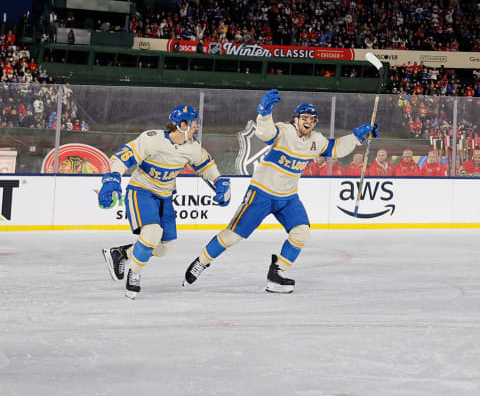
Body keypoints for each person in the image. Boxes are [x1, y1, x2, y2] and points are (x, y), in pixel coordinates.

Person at [182, 90, 376, 293]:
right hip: (261, 193)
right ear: (295, 119)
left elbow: (335, 148)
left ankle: (277, 273)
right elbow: (264, 133)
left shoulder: (315, 140)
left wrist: (356, 137)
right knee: (233, 236)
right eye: (304, 118)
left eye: (312, 118)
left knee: (301, 233)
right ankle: (202, 261)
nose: (308, 121)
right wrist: (264, 112)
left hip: (288, 198)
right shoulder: (285, 132)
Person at [98, 105, 232, 299]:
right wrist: (111, 178)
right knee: (152, 232)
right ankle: (134, 275)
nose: (196, 128)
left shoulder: (192, 147)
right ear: (182, 124)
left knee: (163, 247)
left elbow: (207, 165)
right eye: (194, 124)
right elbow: (123, 157)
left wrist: (219, 182)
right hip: (141, 191)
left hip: (166, 196)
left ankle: (121, 254)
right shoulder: (151, 139)